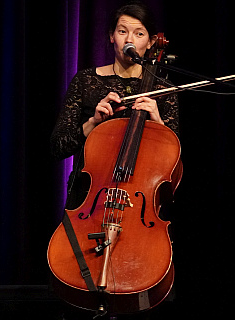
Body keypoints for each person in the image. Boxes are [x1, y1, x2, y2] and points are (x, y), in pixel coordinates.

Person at [50, 2, 179, 212]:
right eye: (122, 31)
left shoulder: (162, 90)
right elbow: (57, 147)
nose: (129, 40)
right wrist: (92, 123)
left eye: (139, 34)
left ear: (151, 42)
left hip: (139, 206)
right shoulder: (85, 81)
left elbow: (174, 165)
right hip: (89, 201)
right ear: (112, 36)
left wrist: (158, 123)